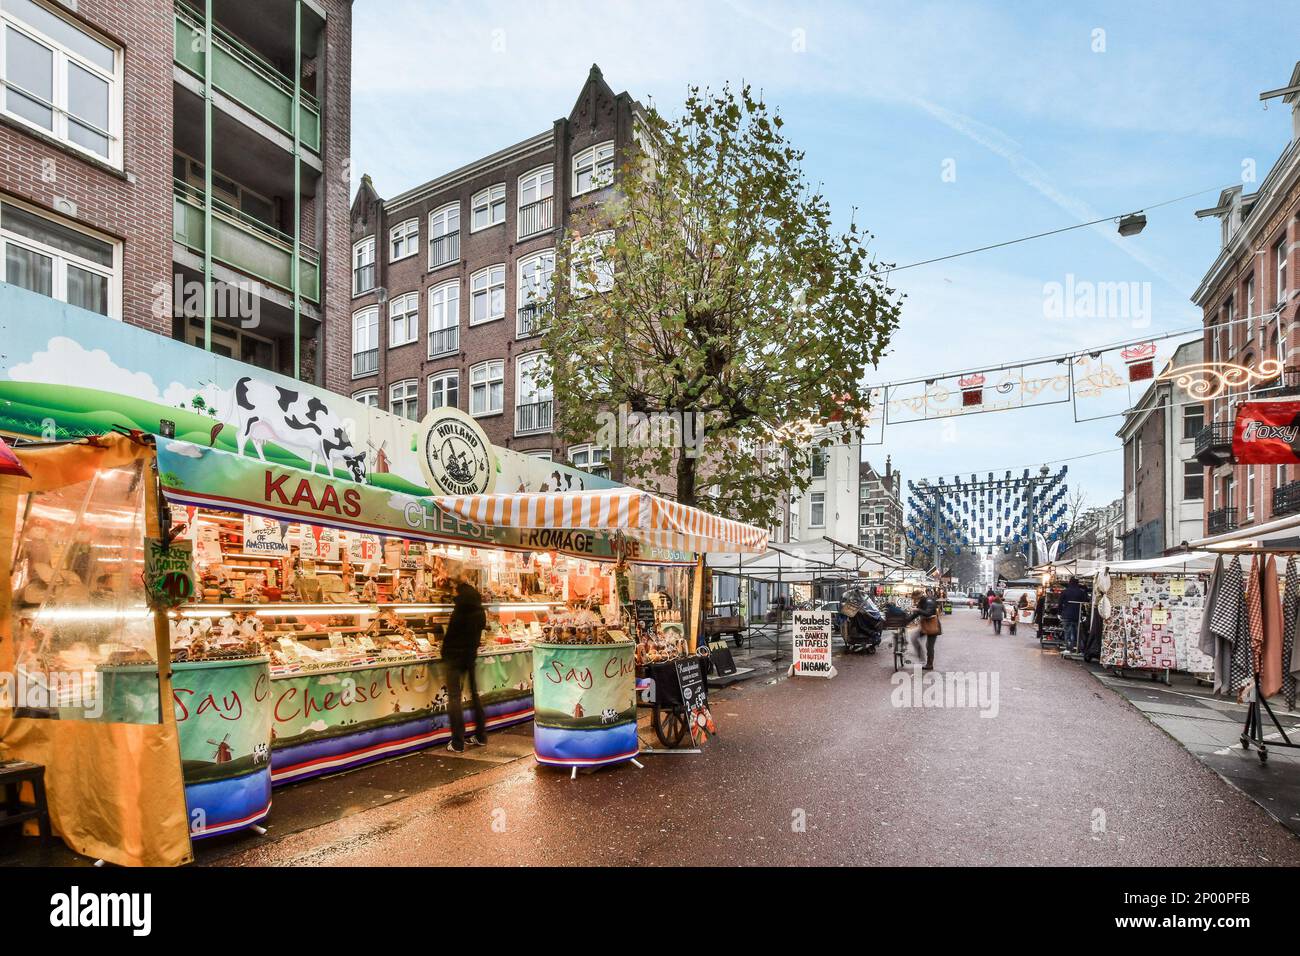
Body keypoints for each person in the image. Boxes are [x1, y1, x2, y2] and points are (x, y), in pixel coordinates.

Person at [443, 572, 489, 753]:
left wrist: (445, 651)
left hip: (454, 657)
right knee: (475, 695)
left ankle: (457, 742)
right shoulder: (479, 609)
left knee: (454, 698)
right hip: (471, 655)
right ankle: (481, 735)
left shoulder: (460, 609)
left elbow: (452, 635)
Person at [907, 588, 941, 671]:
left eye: (915, 599)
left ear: (918, 597)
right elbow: (916, 614)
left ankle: (929, 664)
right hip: (925, 625)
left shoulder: (929, 601)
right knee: (914, 637)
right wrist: (905, 621)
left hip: (933, 625)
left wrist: (918, 609)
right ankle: (921, 657)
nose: (914, 601)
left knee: (929, 646)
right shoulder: (921, 602)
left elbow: (928, 613)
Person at [1059, 576, 1088, 652]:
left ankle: (1068, 648)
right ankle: (1080, 649)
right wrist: (1084, 614)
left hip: (1066, 615)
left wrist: (1059, 613)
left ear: (1070, 582)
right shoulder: (1081, 592)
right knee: (1078, 633)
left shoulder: (1065, 592)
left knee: (1067, 632)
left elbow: (1060, 603)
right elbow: (1085, 603)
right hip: (1077, 615)